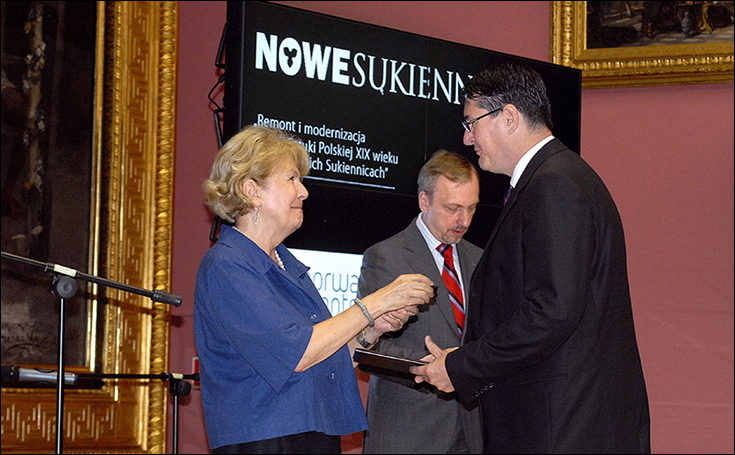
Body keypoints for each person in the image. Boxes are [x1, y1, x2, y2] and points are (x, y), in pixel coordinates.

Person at [411, 62, 651, 453]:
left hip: (561, 428)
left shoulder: (555, 184)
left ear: (508, 117)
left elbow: (552, 311)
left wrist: (463, 365)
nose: (467, 138)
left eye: (471, 123)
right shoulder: (558, 176)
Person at [194, 125, 434, 454]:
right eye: (291, 179)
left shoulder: (287, 265)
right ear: (252, 191)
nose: (304, 191)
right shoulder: (226, 265)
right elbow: (298, 354)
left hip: (311, 434)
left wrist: (371, 329)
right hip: (264, 441)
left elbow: (324, 356)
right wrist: (375, 303)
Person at [357, 150, 484, 454]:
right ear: (424, 201)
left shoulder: (480, 259)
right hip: (409, 433)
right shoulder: (386, 257)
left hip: (472, 432)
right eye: (453, 208)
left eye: (471, 208)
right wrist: (433, 367)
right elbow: (370, 348)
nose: (464, 220)